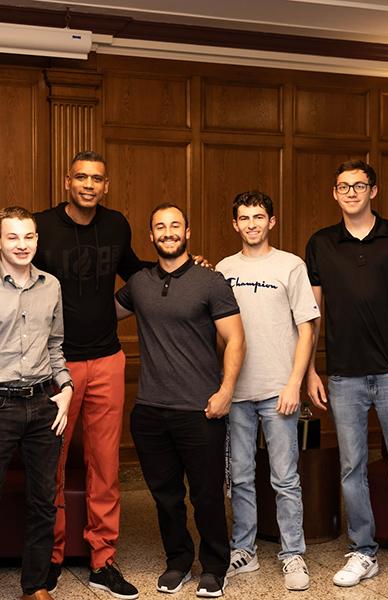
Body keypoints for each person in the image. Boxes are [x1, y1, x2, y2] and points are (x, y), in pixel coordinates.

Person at [0, 151, 149, 600]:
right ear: (67, 181)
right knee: (47, 470)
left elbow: (137, 273)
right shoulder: (43, 226)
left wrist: (185, 267)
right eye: (81, 177)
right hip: (54, 367)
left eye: (97, 178)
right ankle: (46, 562)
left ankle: (102, 560)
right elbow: (13, 267)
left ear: (105, 186)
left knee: (105, 466)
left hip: (109, 359)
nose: (89, 184)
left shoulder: (117, 225)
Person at [304, 160, 388, 597]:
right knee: (351, 469)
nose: (351, 192)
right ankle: (363, 551)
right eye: (343, 186)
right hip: (344, 376)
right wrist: (310, 370)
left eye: (359, 185)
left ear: (373, 191)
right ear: (334, 193)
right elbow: (312, 315)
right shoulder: (321, 243)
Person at [115, 203, 245, 598]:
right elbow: (95, 316)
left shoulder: (211, 281)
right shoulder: (138, 283)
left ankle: (215, 565)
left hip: (201, 408)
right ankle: (178, 561)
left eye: (175, 226)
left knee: (206, 494)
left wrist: (225, 392)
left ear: (187, 232)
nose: (168, 232)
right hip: (151, 411)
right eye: (160, 227)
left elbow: (236, 340)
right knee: (166, 496)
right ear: (150, 236)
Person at [0, 206, 74, 600]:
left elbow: (56, 347)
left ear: (37, 240)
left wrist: (67, 390)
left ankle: (35, 586)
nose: (21, 245)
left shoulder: (52, 286)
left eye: (28, 237)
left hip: (44, 405)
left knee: (43, 502)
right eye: (12, 237)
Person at [215, 191, 319, 591]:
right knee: (240, 476)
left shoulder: (291, 265)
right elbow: (219, 333)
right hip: (237, 391)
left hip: (279, 391)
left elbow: (307, 328)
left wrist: (295, 382)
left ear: (271, 222)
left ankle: (293, 554)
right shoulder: (223, 269)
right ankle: (244, 549)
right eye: (244, 217)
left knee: (284, 478)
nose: (252, 223)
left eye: (259, 216)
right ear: (235, 224)